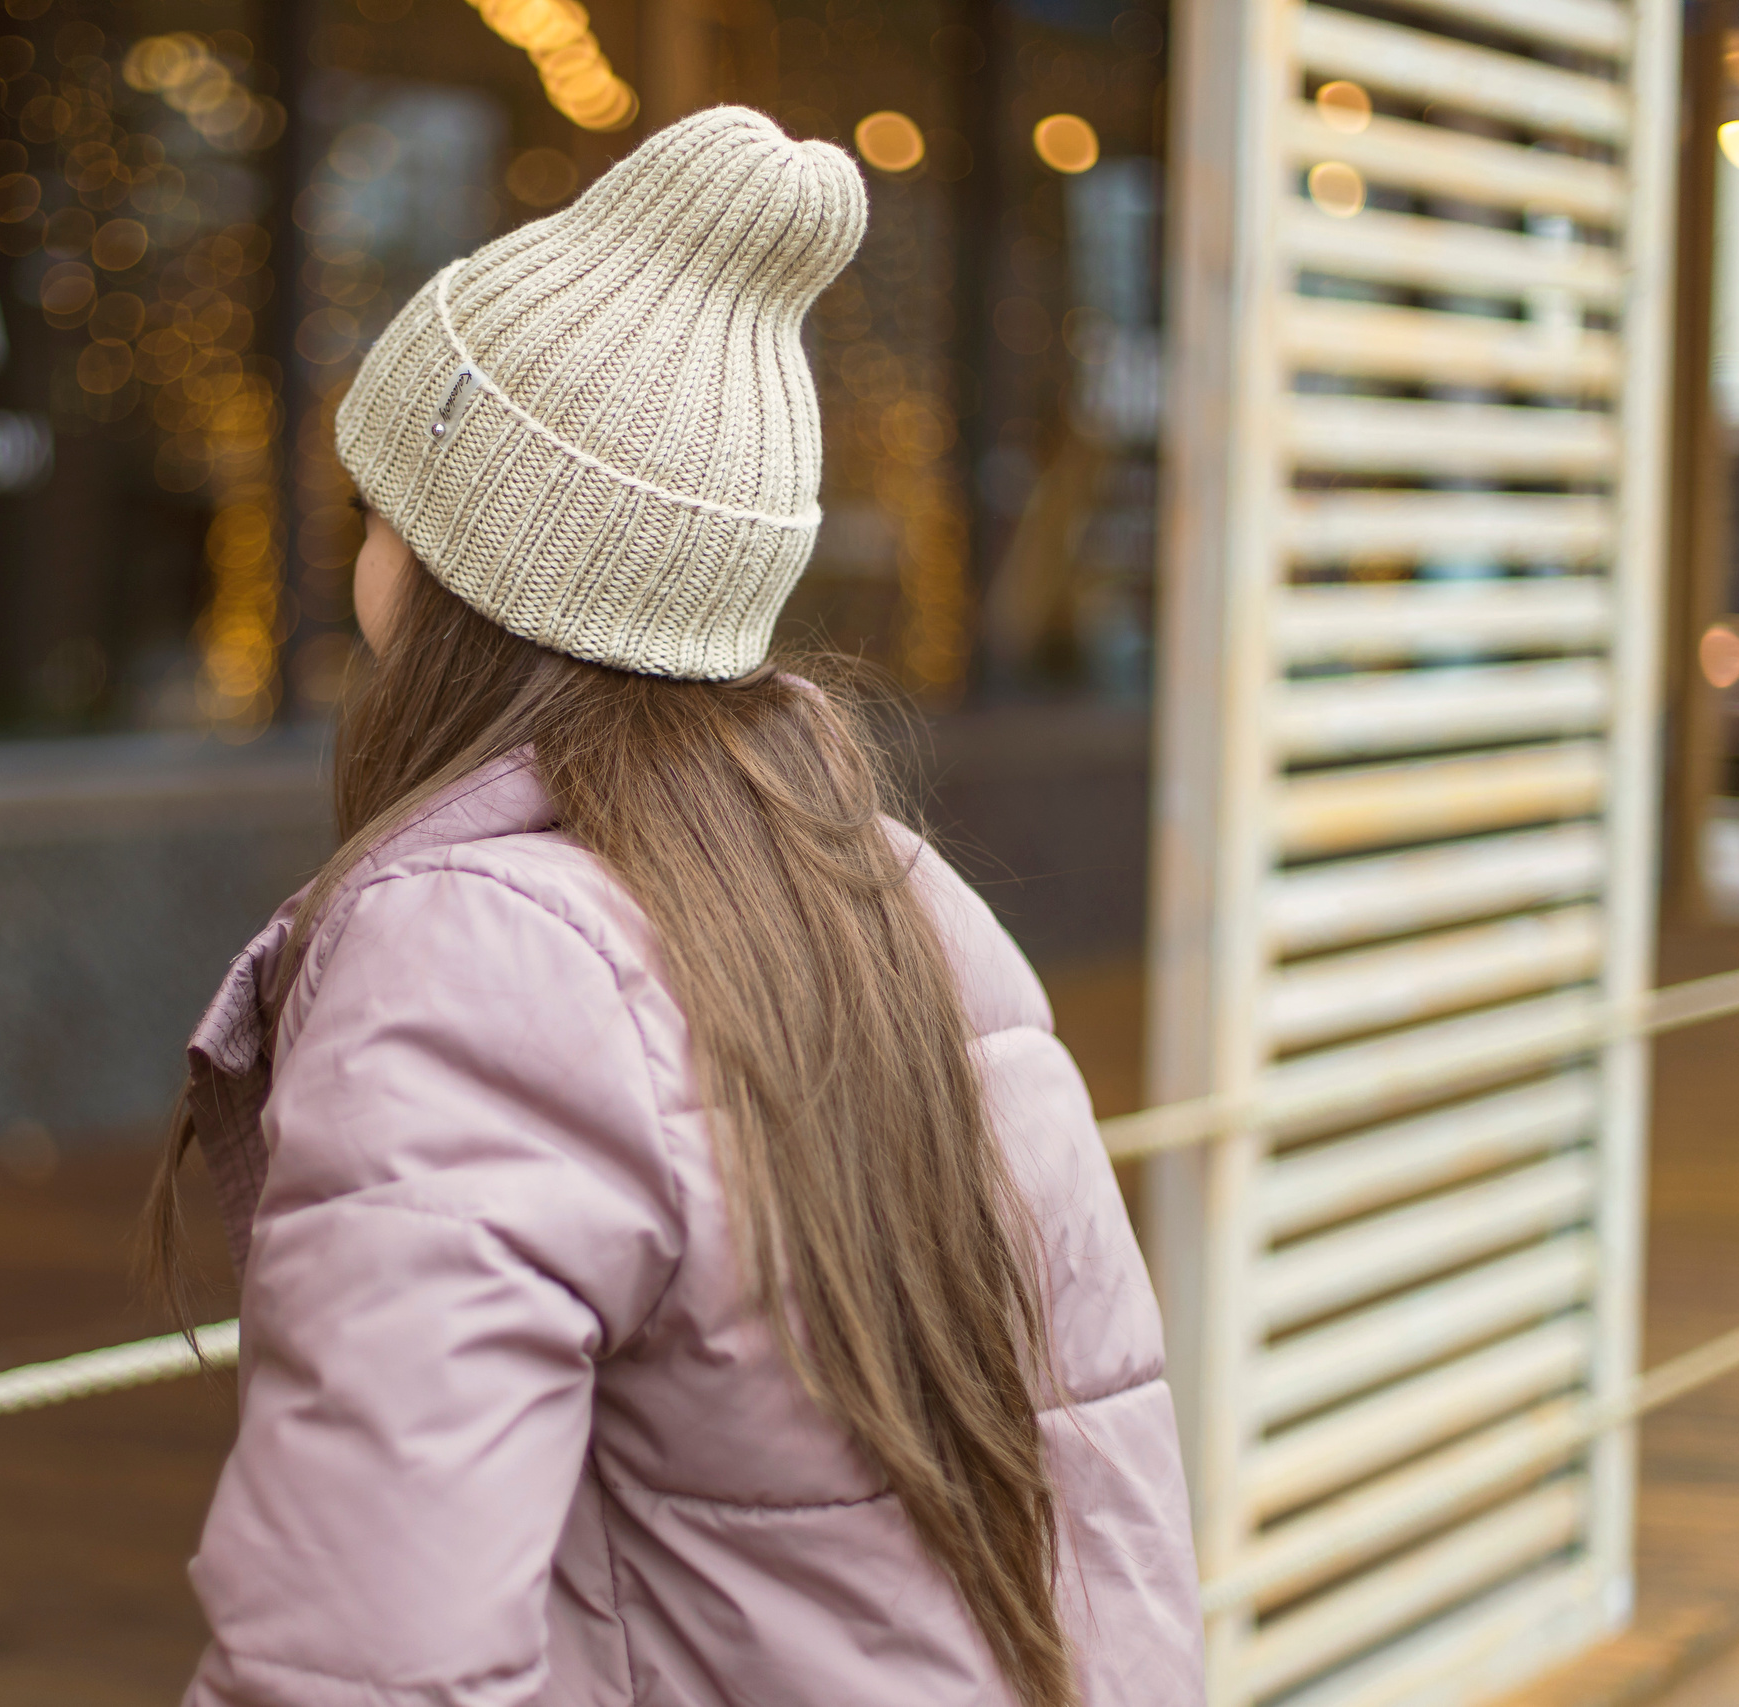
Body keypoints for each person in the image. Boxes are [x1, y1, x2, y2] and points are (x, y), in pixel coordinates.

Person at [149, 106, 1203, 1707]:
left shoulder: (471, 953)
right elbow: (1104, 1545)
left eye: (378, 494)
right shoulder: (898, 905)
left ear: (443, 552)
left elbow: (370, 1662)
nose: (357, 538)